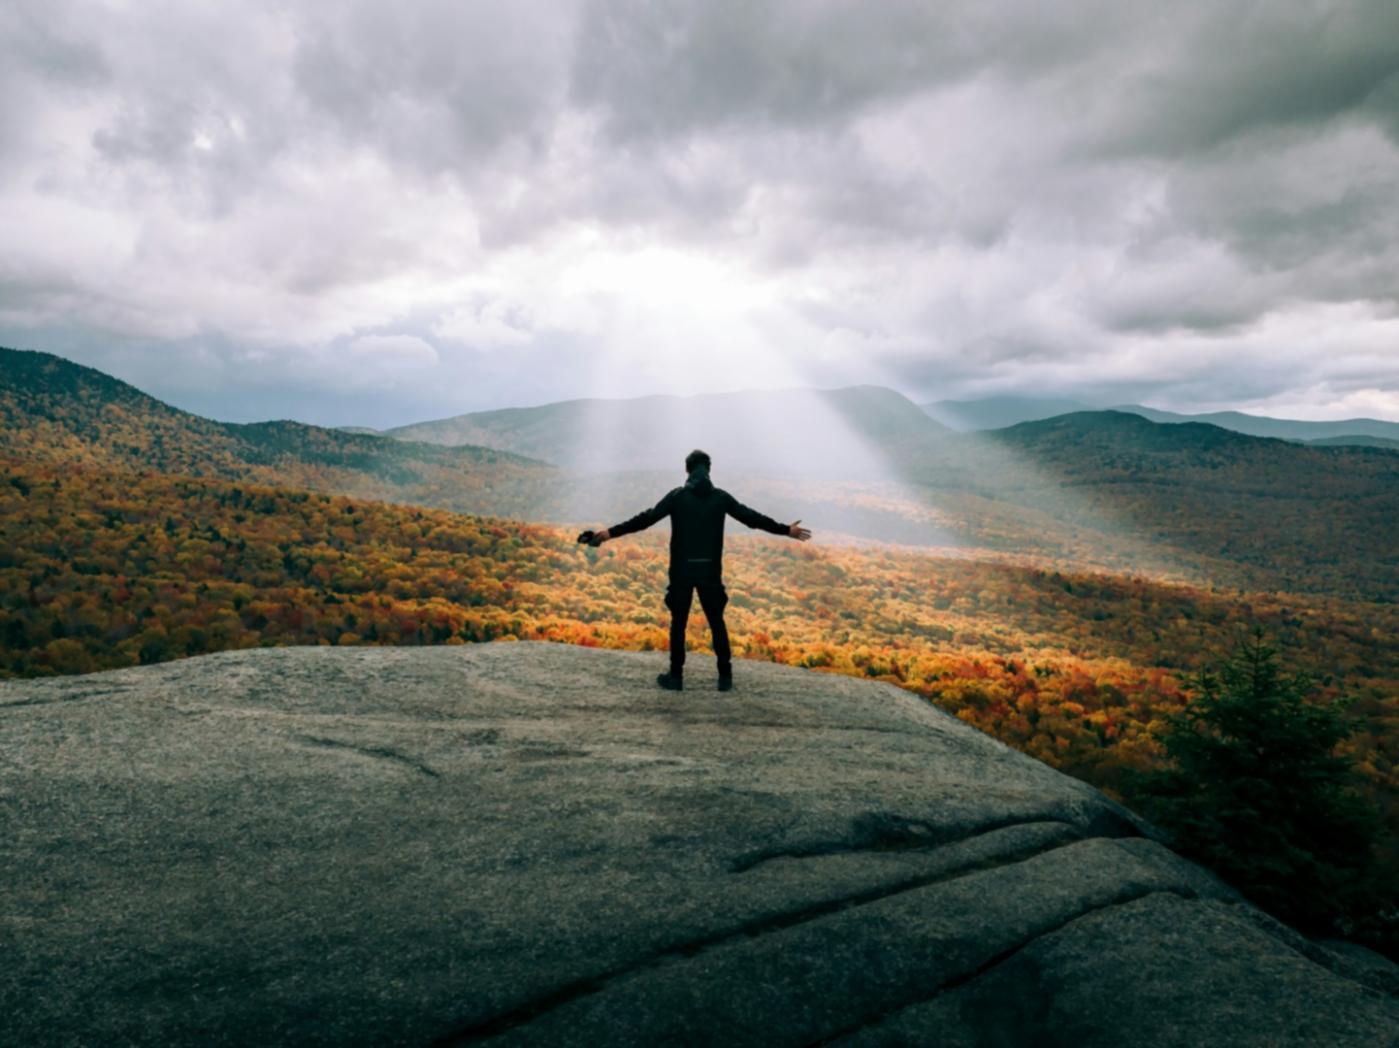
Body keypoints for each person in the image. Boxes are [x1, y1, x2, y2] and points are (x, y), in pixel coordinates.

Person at [581, 449, 812, 692]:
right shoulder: (721, 498)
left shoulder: (677, 497)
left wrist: (608, 534)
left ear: (687, 470)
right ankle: (725, 677)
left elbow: (645, 519)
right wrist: (786, 530)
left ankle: (676, 677)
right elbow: (752, 518)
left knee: (678, 622)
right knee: (716, 621)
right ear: (709, 470)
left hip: (681, 569)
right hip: (710, 569)